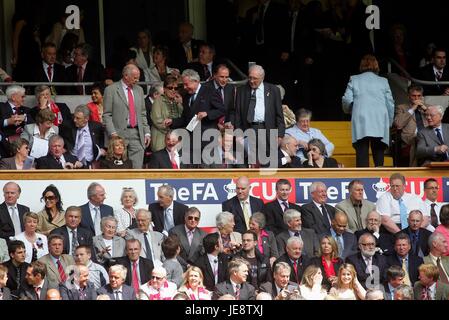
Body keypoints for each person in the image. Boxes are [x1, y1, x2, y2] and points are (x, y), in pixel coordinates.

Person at [342, 54, 394, 167]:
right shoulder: (383, 81)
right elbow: (390, 103)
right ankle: (380, 178)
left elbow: (346, 99)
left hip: (361, 118)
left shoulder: (354, 79)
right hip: (380, 120)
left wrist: (349, 110)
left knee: (361, 152)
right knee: (379, 152)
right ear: (376, 65)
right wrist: (389, 122)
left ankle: (362, 180)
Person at [233, 65, 285, 166]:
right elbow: (238, 114)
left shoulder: (273, 90)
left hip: (267, 130)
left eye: (255, 78)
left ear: (262, 78)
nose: (251, 81)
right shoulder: (241, 90)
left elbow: (279, 115)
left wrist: (280, 135)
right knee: (249, 161)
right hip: (248, 129)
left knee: (267, 161)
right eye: (250, 77)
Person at [103, 64, 151, 169]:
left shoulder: (139, 90)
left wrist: (147, 132)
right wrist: (113, 133)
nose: (137, 80)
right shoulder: (111, 90)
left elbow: (142, 113)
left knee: (137, 169)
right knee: (119, 169)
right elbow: (107, 115)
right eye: (135, 77)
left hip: (137, 134)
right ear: (125, 75)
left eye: (138, 77)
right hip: (118, 135)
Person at [61, 104, 105, 168]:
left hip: (90, 164)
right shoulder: (67, 127)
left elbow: (102, 141)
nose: (74, 120)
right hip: (73, 163)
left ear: (86, 119)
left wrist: (102, 149)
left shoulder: (97, 127)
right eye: (74, 117)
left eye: (78, 118)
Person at [393, 84, 427, 166]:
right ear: (409, 96)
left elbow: (437, 120)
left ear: (422, 96)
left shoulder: (428, 108)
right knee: (417, 140)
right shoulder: (401, 108)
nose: (416, 98)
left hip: (427, 139)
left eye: (419, 96)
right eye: (414, 96)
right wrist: (412, 109)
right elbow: (398, 124)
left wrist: (424, 108)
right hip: (410, 140)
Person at [150, 76, 183, 152]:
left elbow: (182, 118)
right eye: (170, 88)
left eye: (176, 88)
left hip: (175, 139)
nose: (173, 90)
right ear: (164, 89)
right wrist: (171, 132)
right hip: (161, 138)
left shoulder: (177, 101)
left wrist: (180, 103)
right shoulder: (158, 101)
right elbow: (158, 121)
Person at [0, 85, 33, 157]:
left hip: (24, 144)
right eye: (22, 97)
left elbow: (35, 124)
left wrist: (25, 118)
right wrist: (8, 121)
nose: (24, 99)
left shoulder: (27, 110)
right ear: (13, 97)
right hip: (5, 145)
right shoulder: (1, 107)